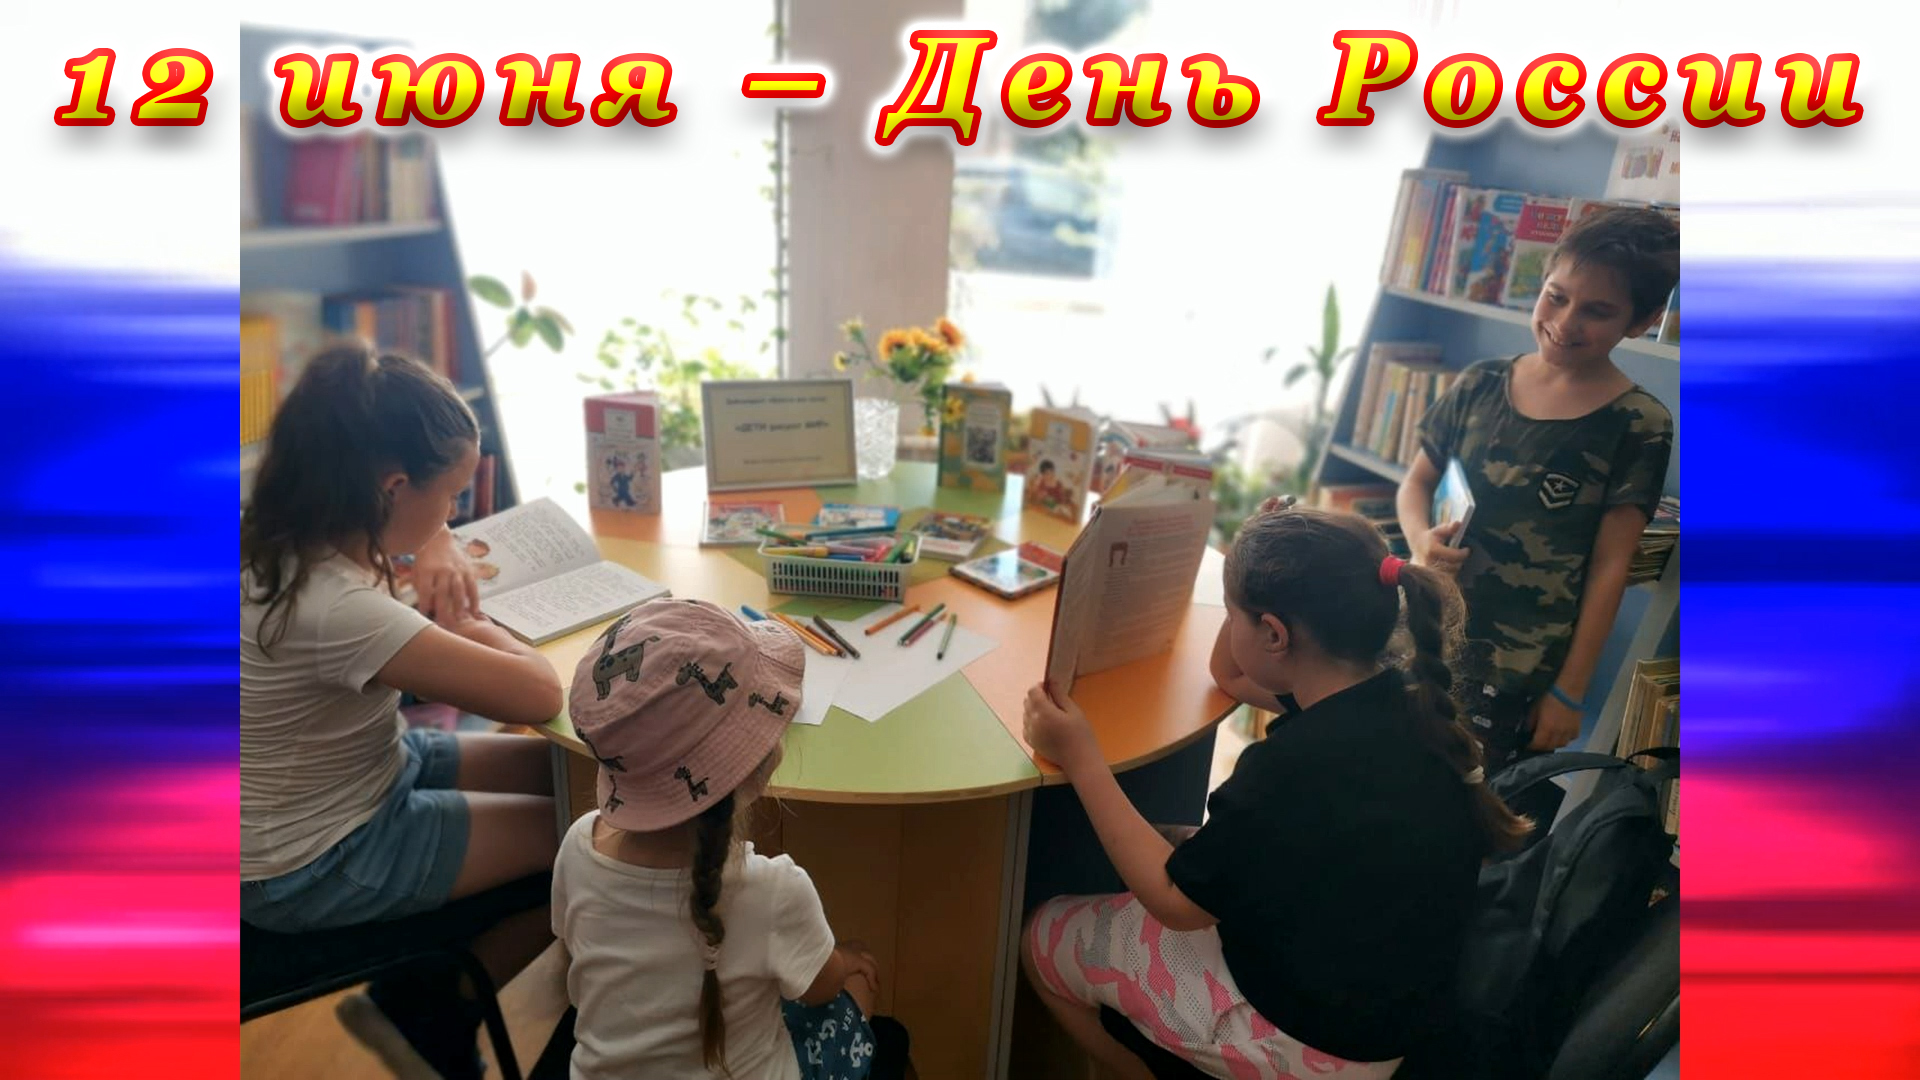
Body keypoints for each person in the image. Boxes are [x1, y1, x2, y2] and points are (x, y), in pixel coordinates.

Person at [1022, 505, 1533, 1079]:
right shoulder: (1400, 699)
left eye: (1232, 613)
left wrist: (1081, 756)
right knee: (1165, 838)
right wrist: (1249, 573)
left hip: (1317, 1043)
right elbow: (1231, 676)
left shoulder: (1289, 768)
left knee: (1045, 935)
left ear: (1273, 633)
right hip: (1386, 1008)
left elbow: (1174, 903)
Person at [241, 345, 564, 1079]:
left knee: (566, 773)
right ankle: (429, 1011)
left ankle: (426, 987)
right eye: (450, 498)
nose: (453, 514)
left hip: (357, 773)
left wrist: (439, 543)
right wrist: (469, 624)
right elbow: (541, 694)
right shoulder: (339, 608)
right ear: (391, 488)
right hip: (314, 860)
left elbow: (414, 517)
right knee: (590, 836)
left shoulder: (289, 521)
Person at [554, 598, 913, 1079]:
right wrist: (846, 958)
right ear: (761, 763)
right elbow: (821, 988)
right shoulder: (776, 890)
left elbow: (572, 947)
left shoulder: (579, 845)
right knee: (857, 987)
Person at [1397, 206, 1678, 774]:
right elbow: (1417, 483)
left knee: (1465, 802)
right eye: (1557, 297)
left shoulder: (1639, 424)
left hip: (1514, 672)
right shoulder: (1480, 381)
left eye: (1597, 311)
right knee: (1377, 775)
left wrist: (1569, 692)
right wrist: (1420, 541)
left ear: (1643, 320)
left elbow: (1611, 567)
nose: (1566, 322)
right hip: (1417, 632)